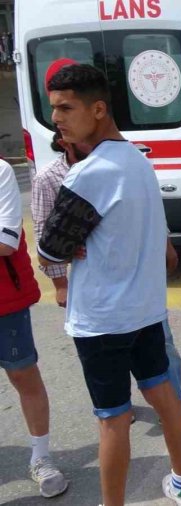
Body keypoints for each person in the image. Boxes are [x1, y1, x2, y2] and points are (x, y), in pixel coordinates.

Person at [38, 63, 181, 506]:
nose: (57, 119)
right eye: (54, 109)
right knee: (164, 396)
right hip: (146, 310)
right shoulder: (139, 161)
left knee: (113, 419)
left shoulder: (89, 173)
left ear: (98, 109)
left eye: (65, 108)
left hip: (102, 320)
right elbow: (164, 251)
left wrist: (80, 245)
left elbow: (49, 251)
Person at [31, 130, 181, 430]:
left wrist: (164, 243)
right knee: (112, 371)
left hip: (138, 283)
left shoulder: (124, 162)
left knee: (164, 349)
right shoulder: (51, 178)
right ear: (64, 142)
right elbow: (43, 232)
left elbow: (150, 206)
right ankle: (121, 408)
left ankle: (175, 406)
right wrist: (60, 283)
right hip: (99, 291)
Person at [0, 161, 69, 499]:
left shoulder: (0, 172)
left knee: (23, 376)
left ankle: (41, 457)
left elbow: (6, 241)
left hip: (4, 301)